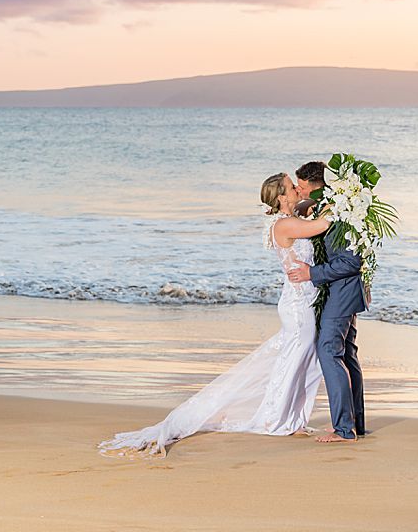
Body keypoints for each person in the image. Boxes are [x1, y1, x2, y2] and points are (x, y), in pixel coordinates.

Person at [98, 172, 332, 457]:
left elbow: (313, 209)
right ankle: (275, 420)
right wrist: (352, 204)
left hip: (304, 298)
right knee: (294, 362)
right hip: (298, 304)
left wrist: (328, 196)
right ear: (282, 197)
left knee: (307, 362)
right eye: (291, 186)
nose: (298, 188)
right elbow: (323, 225)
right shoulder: (285, 225)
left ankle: (294, 420)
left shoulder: (289, 217)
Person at [287, 160, 367, 442]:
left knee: (329, 352)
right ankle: (355, 423)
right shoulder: (328, 207)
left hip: (342, 291)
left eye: (302, 186)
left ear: (314, 186)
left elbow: (351, 261)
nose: (298, 189)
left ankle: (345, 430)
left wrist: (312, 273)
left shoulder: (338, 213)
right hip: (344, 292)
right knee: (345, 354)